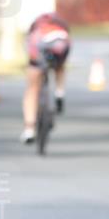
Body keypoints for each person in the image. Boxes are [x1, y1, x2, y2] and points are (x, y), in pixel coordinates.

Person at [20, 12, 71, 144]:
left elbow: (30, 48)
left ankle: (29, 129)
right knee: (60, 66)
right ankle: (60, 92)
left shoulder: (35, 28)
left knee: (32, 89)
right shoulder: (61, 24)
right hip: (61, 46)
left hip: (38, 48)